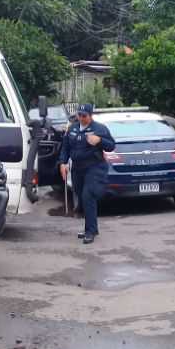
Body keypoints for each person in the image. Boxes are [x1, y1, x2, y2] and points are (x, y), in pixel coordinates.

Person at [59, 102, 115, 244]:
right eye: (79, 115)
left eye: (84, 116)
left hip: (94, 167)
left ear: (91, 115)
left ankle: (89, 231)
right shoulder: (73, 128)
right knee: (80, 193)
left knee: (88, 194)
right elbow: (65, 147)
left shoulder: (99, 129)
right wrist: (63, 163)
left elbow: (111, 145)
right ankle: (93, 227)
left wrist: (99, 140)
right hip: (78, 168)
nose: (81, 118)